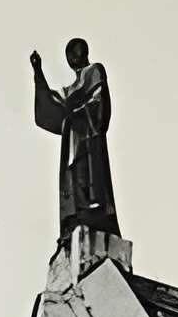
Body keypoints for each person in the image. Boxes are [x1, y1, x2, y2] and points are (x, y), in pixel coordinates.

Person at [30, 39, 121, 239]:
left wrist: (77, 114)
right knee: (75, 178)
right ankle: (76, 218)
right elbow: (52, 104)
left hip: (88, 138)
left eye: (74, 52)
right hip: (74, 140)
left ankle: (93, 215)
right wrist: (38, 72)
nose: (71, 58)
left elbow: (99, 102)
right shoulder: (72, 89)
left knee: (90, 177)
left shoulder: (94, 71)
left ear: (83, 52)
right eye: (68, 55)